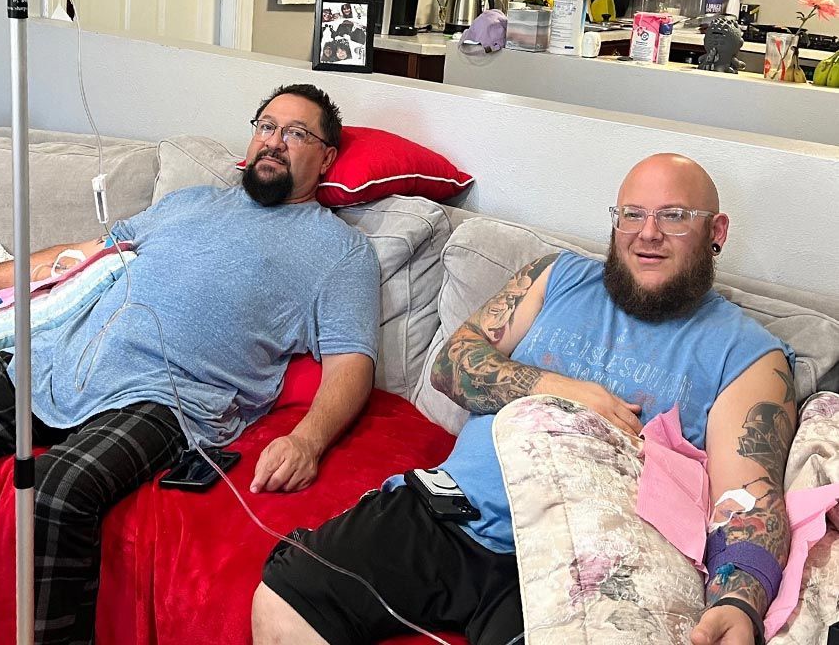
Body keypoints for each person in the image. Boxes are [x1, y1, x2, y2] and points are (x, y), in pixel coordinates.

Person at [253, 154, 795, 645]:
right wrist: (555, 389)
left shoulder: (747, 354)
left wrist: (738, 602)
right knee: (284, 601)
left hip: (580, 564)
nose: (646, 234)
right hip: (449, 509)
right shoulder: (555, 276)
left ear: (716, 231)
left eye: (674, 216)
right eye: (631, 214)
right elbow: (451, 364)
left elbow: (748, 501)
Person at [0, 84, 381, 645]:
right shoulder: (189, 202)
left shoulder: (339, 251)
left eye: (297, 134)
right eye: (266, 126)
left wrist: (308, 440)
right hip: (65, 358)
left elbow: (352, 363)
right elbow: (78, 258)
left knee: (55, 492)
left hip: (168, 399)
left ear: (327, 158)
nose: (274, 142)